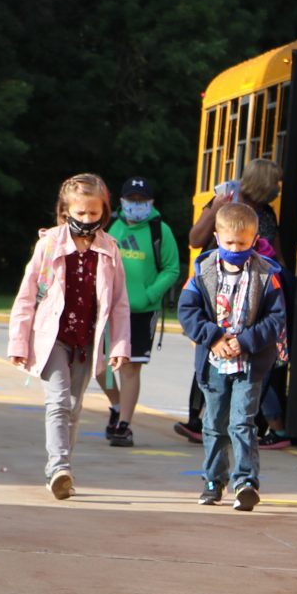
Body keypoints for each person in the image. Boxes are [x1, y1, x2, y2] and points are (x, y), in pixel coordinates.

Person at [7, 174, 131, 500]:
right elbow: (26, 296)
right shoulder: (49, 244)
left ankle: (63, 470)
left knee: (74, 408)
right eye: (81, 214)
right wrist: (18, 343)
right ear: (66, 211)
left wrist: (119, 346)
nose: (87, 220)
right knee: (58, 402)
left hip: (86, 340)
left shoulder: (110, 249)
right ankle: (58, 468)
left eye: (94, 214)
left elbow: (119, 303)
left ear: (103, 212)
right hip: (53, 338)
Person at [177, 202, 287, 511]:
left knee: (242, 422)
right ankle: (213, 480)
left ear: (254, 240)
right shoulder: (204, 271)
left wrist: (247, 341)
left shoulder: (267, 276)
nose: (235, 249)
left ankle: (246, 481)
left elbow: (276, 319)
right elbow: (187, 311)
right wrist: (212, 338)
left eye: (242, 243)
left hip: (249, 363)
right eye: (228, 243)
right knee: (214, 423)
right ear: (216, 237)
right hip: (214, 362)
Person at [179, 158, 290, 448]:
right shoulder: (223, 202)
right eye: (274, 183)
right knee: (210, 354)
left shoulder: (266, 214)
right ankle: (198, 418)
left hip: (251, 292)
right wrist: (214, 209)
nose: (278, 189)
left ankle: (223, 422)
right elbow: (194, 238)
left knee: (252, 365)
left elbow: (276, 256)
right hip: (218, 288)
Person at [100, 177, 181, 447]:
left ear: (151, 203)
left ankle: (124, 424)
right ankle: (116, 405)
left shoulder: (161, 230)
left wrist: (149, 295)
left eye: (142, 201)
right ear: (122, 202)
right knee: (100, 366)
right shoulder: (114, 228)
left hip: (141, 311)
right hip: (110, 308)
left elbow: (171, 269)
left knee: (130, 367)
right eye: (132, 200)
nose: (137, 206)